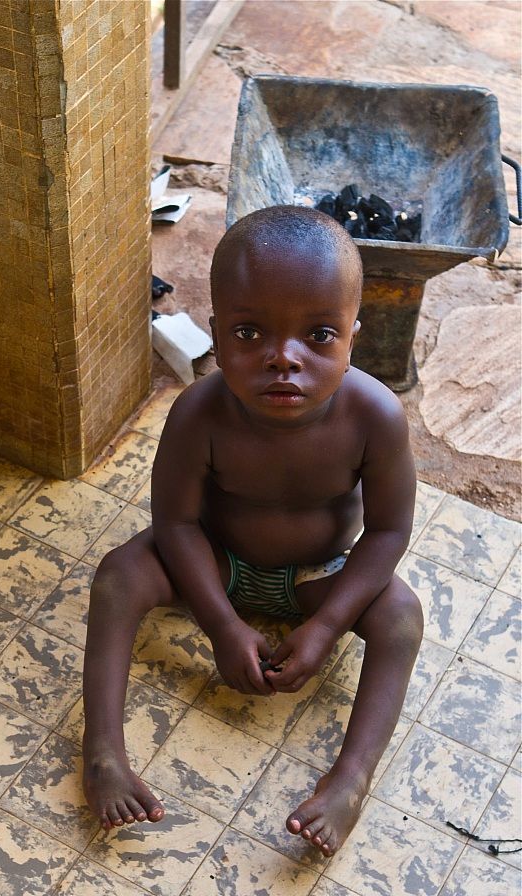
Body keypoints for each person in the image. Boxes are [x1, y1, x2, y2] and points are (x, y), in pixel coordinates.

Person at [82, 205, 422, 856]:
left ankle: (349, 780)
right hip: (216, 560)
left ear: (355, 333)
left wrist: (325, 626)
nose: (283, 360)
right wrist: (220, 622)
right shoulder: (199, 413)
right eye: (249, 333)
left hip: (316, 578)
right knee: (119, 575)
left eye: (319, 335)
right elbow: (176, 523)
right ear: (216, 332)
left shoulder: (375, 417)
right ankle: (103, 753)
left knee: (401, 616)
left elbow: (386, 532)